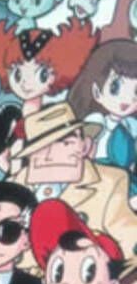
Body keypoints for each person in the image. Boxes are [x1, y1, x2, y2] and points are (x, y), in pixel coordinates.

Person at [11, 102, 137, 269]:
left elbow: (128, 239)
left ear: (84, 145)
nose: (52, 154)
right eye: (42, 147)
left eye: (66, 142)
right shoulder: (14, 186)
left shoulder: (109, 181)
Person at [68, 40, 137, 208]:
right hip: (102, 178)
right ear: (97, 91)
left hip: (126, 180)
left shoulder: (130, 125)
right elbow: (86, 148)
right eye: (115, 88)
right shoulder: (96, 122)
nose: (127, 100)